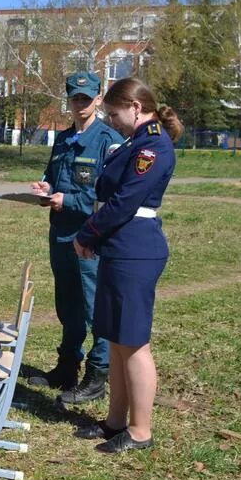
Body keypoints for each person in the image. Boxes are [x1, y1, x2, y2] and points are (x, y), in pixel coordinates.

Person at [73, 77, 182, 453]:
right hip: (119, 247)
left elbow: (125, 200)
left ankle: (140, 431)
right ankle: (115, 421)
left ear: (136, 107)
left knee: (134, 344)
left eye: (116, 113)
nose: (113, 121)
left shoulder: (153, 146)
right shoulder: (137, 142)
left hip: (135, 249)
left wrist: (87, 234)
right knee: (117, 341)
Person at [28, 72, 123, 404]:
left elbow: (110, 197)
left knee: (95, 308)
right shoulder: (63, 139)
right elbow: (53, 176)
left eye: (86, 98)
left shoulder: (108, 140)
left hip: (91, 237)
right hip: (61, 235)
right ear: (68, 100)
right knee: (67, 305)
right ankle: (67, 367)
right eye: (75, 98)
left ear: (98, 99)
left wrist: (68, 200)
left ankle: (96, 377)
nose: (80, 103)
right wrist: (45, 188)